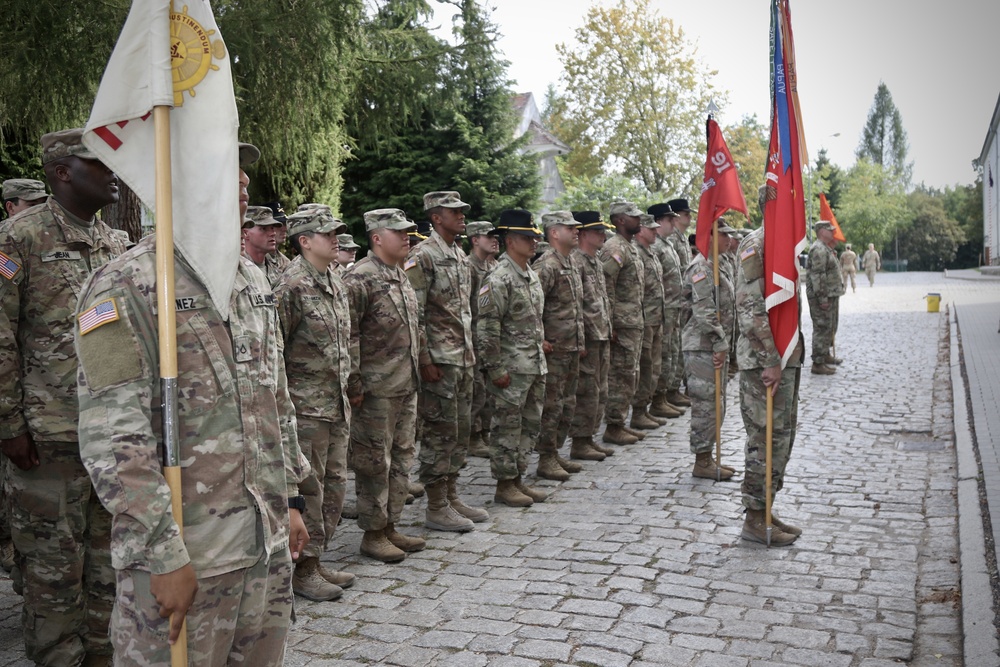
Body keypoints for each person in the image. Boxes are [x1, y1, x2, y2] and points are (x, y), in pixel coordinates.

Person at [75, 140, 311, 664]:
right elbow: (113, 437)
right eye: (222, 167)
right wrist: (161, 553)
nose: (244, 182)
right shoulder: (124, 285)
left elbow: (275, 395)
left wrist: (291, 498)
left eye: (242, 171)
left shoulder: (250, 277)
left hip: (263, 548)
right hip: (189, 555)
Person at [0, 128, 126, 666]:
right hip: (46, 437)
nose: (112, 173)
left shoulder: (116, 244)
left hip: (111, 434)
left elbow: (121, 337)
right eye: (97, 165)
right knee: (53, 572)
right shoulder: (17, 238)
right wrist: (9, 425)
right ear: (61, 172)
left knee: (107, 566)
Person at [275, 208, 356, 602]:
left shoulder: (334, 280)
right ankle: (301, 569)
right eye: (327, 233)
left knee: (335, 486)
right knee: (310, 490)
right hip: (305, 409)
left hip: (334, 404)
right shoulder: (290, 286)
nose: (336, 238)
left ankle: (317, 558)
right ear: (304, 240)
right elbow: (274, 351)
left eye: (337, 232)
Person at [342, 208, 426, 563]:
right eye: (399, 232)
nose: (407, 236)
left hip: (405, 383)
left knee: (402, 458)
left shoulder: (399, 274)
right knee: (375, 461)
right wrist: (355, 383)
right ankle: (373, 533)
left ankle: (390, 524)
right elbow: (348, 333)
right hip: (376, 388)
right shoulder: (360, 277)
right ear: (377, 237)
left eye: (408, 231)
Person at [404, 191, 487, 533]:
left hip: (462, 358)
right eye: (455, 212)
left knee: (459, 431)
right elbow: (416, 312)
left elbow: (467, 310)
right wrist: (424, 358)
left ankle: (451, 495)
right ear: (436, 217)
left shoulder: (459, 255)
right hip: (439, 359)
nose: (462, 216)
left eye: (463, 212)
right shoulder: (423, 256)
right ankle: (436, 505)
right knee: (439, 432)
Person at [734, 226, 803, 546]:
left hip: (784, 358)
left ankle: (766, 509)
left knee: (782, 436)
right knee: (764, 440)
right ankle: (754, 518)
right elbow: (749, 309)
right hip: (764, 362)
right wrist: (770, 358)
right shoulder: (756, 244)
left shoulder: (782, 238)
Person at [476, 209, 548, 507]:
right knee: (506, 428)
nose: (533, 242)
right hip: (510, 368)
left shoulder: (530, 273)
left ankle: (518, 478)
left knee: (529, 425)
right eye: (526, 237)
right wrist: (494, 368)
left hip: (532, 365)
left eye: (534, 237)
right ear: (508, 241)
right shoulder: (499, 277)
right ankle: (504, 484)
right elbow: (487, 326)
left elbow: (533, 320)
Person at [682, 221, 738, 481]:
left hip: (715, 345)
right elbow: (704, 311)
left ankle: (708, 456)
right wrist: (718, 342)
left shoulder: (720, 263)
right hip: (703, 346)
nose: (730, 238)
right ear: (711, 235)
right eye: (725, 233)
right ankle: (702, 460)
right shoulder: (701, 266)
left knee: (717, 403)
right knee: (706, 405)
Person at [533, 211, 586, 480]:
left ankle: (554, 453)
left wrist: (581, 340)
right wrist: (539, 338)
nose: (576, 231)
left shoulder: (570, 262)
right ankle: (545, 457)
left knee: (566, 404)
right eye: (570, 227)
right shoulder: (547, 265)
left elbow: (575, 308)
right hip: (553, 348)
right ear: (554, 232)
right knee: (551, 405)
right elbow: (533, 306)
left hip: (570, 346)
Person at [598, 201, 646, 445]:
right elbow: (606, 285)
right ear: (620, 220)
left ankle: (620, 422)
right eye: (634, 217)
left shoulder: (630, 246)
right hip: (621, 324)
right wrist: (610, 324)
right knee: (620, 375)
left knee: (630, 375)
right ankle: (613, 426)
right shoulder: (614, 247)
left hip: (633, 322)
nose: (639, 221)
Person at [567, 212, 613, 460]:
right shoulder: (576, 262)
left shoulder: (594, 261)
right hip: (587, 336)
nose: (603, 235)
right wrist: (580, 338)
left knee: (599, 389)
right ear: (583, 234)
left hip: (600, 333)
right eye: (598, 231)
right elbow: (574, 304)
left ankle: (590, 436)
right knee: (586, 391)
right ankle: (579, 441)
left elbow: (601, 299)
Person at [648, 203, 687, 420]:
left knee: (672, 351)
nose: (674, 222)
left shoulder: (666, 244)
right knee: (662, 354)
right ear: (659, 221)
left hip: (674, 306)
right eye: (670, 219)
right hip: (662, 309)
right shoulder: (656, 247)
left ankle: (666, 394)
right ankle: (658, 398)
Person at [466, 220, 500, 459]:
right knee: (476, 390)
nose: (494, 240)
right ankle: (473, 436)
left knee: (489, 391)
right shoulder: (468, 267)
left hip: (492, 338)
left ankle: (485, 431)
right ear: (475, 239)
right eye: (489, 236)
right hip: (474, 336)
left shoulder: (496, 267)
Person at [630, 213, 667, 431]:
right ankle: (637, 411)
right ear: (641, 229)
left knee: (653, 366)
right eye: (651, 228)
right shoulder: (635, 252)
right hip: (641, 320)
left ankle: (645, 408)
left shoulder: (650, 253)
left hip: (655, 318)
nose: (655, 231)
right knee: (643, 368)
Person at [807, 220, 845, 374]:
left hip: (831, 295)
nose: (833, 232)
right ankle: (817, 363)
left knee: (830, 326)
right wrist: (822, 298)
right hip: (822, 297)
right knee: (822, 327)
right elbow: (818, 276)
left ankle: (825, 354)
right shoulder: (819, 249)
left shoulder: (825, 248)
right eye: (830, 230)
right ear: (822, 231)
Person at [242, 205, 286, 287]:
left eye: (272, 228)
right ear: (246, 233)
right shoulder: (238, 270)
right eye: (264, 228)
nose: (273, 233)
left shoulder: (280, 268)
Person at [263, 201, 291, 271]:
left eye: (285, 224)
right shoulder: (256, 259)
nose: (285, 229)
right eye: (278, 225)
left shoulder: (286, 262)